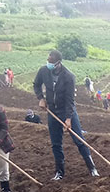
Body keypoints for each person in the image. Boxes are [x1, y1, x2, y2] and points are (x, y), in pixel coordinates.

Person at [33, 49, 99, 180]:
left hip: (66, 110)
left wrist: (68, 118)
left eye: (51, 62)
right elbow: (36, 85)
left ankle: (92, 168)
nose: (48, 63)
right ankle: (59, 172)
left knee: (79, 140)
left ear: (58, 63)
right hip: (52, 110)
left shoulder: (68, 76)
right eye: (48, 61)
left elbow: (70, 100)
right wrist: (41, 98)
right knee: (56, 143)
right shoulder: (43, 71)